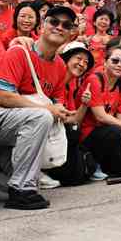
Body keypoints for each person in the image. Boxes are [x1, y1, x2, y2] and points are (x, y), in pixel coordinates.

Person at [0, 5, 76, 209]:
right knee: (41, 118)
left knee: (35, 180)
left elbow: (57, 100)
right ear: (42, 26)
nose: (59, 27)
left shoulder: (61, 66)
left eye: (66, 25)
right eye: (54, 22)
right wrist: (48, 111)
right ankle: (20, 191)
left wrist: (61, 111)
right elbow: (5, 96)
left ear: (71, 33)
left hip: (16, 125)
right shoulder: (19, 52)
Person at [79, 46, 121, 177]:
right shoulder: (94, 79)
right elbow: (100, 116)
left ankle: (103, 165)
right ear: (105, 61)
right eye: (115, 61)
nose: (119, 65)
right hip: (87, 134)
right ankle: (93, 162)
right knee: (116, 131)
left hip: (109, 135)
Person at [43, 41, 96, 185]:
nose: (82, 64)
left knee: (74, 131)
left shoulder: (71, 85)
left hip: (58, 134)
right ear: (66, 59)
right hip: (43, 129)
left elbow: (75, 120)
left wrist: (85, 104)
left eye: (85, 62)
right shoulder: (51, 76)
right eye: (78, 59)